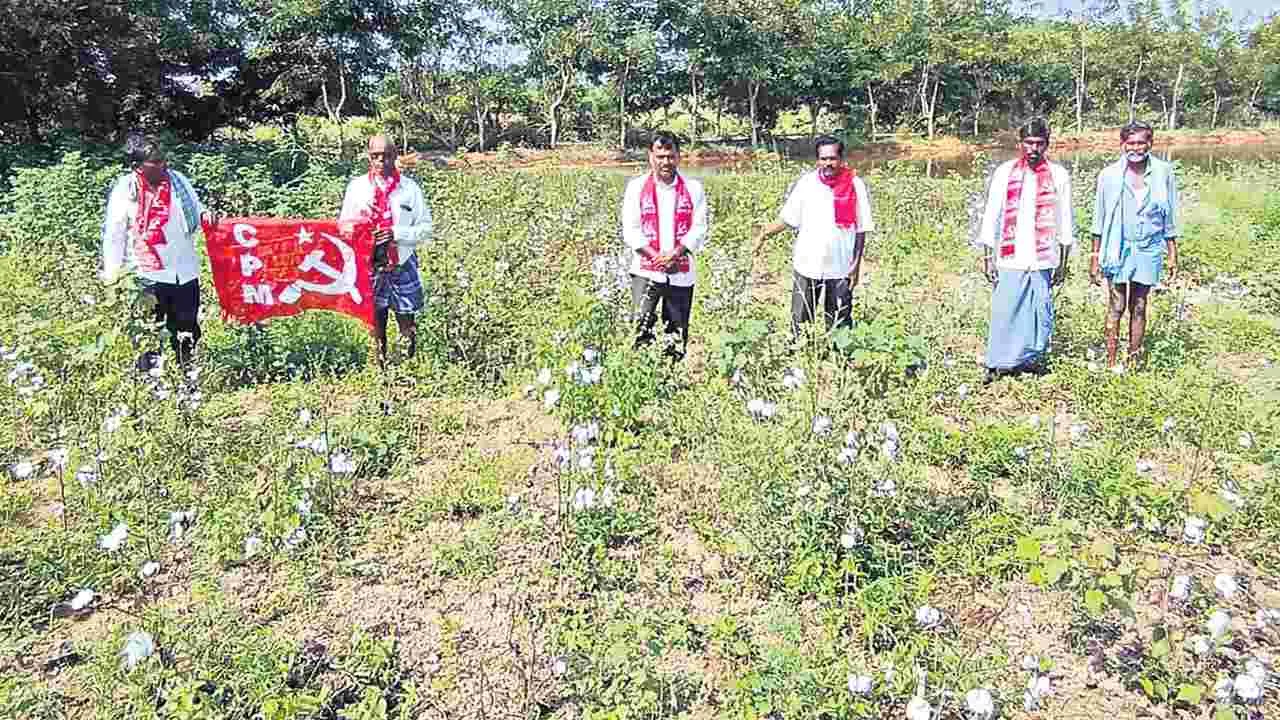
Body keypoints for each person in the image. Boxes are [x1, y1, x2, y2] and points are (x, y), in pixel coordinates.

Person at [102, 134, 218, 369]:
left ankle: (188, 377)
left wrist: (205, 214)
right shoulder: (125, 190)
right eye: (154, 162)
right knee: (150, 332)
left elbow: (196, 207)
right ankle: (152, 384)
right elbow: (115, 235)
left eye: (163, 159)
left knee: (187, 327)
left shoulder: (178, 181)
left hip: (184, 270)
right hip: (146, 274)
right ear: (137, 166)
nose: (162, 165)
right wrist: (113, 275)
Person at [975, 117, 1075, 384]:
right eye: (1028, 143)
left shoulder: (1059, 175)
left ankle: (1029, 361)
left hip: (1043, 257)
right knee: (1005, 310)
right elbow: (991, 215)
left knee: (1038, 310)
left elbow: (1065, 219)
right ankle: (997, 364)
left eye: (1039, 144)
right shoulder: (1005, 172)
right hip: (1011, 255)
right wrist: (987, 256)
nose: (1033, 149)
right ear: (1020, 143)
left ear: (1047, 145)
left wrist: (1063, 262)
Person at [753, 134, 875, 337]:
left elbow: (861, 228)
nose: (828, 163)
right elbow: (788, 219)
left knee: (839, 321)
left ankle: (838, 360)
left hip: (841, 265)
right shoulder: (806, 183)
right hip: (808, 263)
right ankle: (798, 359)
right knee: (800, 319)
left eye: (832, 158)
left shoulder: (855, 185)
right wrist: (764, 234)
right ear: (817, 160)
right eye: (823, 158)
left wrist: (855, 266)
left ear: (841, 159)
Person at [1090, 121, 1179, 369]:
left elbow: (1170, 215)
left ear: (1150, 144)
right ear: (1122, 145)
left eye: (1142, 142)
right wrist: (1095, 256)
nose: (1136, 148)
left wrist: (1172, 252)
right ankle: (1110, 361)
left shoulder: (1163, 172)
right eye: (1131, 143)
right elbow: (1099, 218)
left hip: (1149, 248)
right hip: (1117, 247)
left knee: (1139, 305)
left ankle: (1132, 361)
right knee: (1116, 304)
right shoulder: (1108, 176)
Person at [339, 134, 433, 364]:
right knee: (375, 320)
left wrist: (396, 234)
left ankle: (407, 368)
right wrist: (361, 232)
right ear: (369, 157)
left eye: (387, 156)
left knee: (407, 320)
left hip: (402, 262)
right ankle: (380, 370)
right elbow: (344, 226)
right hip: (370, 263)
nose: (382, 161)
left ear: (395, 156)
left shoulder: (409, 189)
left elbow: (425, 229)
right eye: (376, 156)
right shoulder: (357, 188)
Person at [620, 132, 709, 360]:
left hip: (681, 273)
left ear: (679, 157)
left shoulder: (693, 188)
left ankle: (672, 377)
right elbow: (631, 230)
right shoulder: (636, 187)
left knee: (677, 331)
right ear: (650, 157)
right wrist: (656, 257)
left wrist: (676, 253)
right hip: (644, 270)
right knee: (641, 326)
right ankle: (642, 377)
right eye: (660, 156)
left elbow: (698, 229)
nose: (665, 162)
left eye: (670, 156)